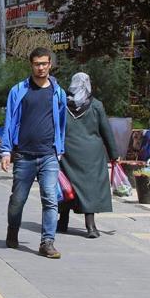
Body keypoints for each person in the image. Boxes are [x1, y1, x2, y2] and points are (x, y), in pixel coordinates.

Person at [0, 47, 67, 259]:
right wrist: (5, 151)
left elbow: (62, 122)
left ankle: (47, 242)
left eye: (44, 63)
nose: (41, 68)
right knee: (18, 199)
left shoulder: (58, 92)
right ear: (31, 65)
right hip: (24, 155)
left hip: (49, 154)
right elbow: (9, 121)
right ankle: (13, 230)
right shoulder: (19, 90)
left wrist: (60, 148)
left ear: (50, 64)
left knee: (50, 198)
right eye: (37, 64)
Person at [58, 72, 118, 238]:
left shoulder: (62, 103)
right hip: (92, 154)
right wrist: (114, 154)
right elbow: (106, 131)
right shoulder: (96, 105)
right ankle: (91, 227)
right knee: (89, 188)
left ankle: (62, 222)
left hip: (68, 152)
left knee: (67, 187)